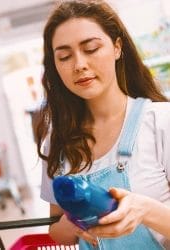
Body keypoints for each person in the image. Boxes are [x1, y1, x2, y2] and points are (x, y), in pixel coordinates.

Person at [35, 0, 170, 249]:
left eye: (91, 49)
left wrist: (144, 210)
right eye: (64, 56)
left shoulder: (161, 122)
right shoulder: (58, 141)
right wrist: (70, 224)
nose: (79, 65)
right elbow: (56, 229)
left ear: (117, 47)